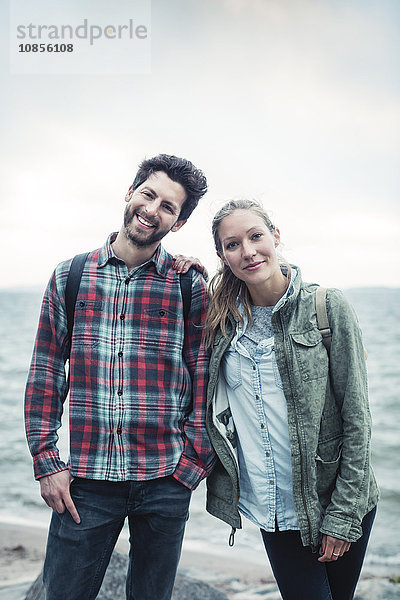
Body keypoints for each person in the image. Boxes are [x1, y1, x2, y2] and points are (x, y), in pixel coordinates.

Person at [24, 154, 215, 600]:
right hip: (87, 483)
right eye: (149, 194)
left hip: (165, 480)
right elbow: (46, 374)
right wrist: (47, 463)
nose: (153, 209)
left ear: (179, 222)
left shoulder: (188, 286)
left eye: (169, 206)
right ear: (130, 193)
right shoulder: (70, 277)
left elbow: (205, 378)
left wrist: (192, 465)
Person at [204, 199, 379, 600]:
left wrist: (344, 515)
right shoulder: (221, 323)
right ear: (222, 256)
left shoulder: (327, 307)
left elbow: (357, 418)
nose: (247, 251)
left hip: (337, 500)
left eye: (255, 236)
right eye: (232, 245)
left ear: (275, 236)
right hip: (276, 511)